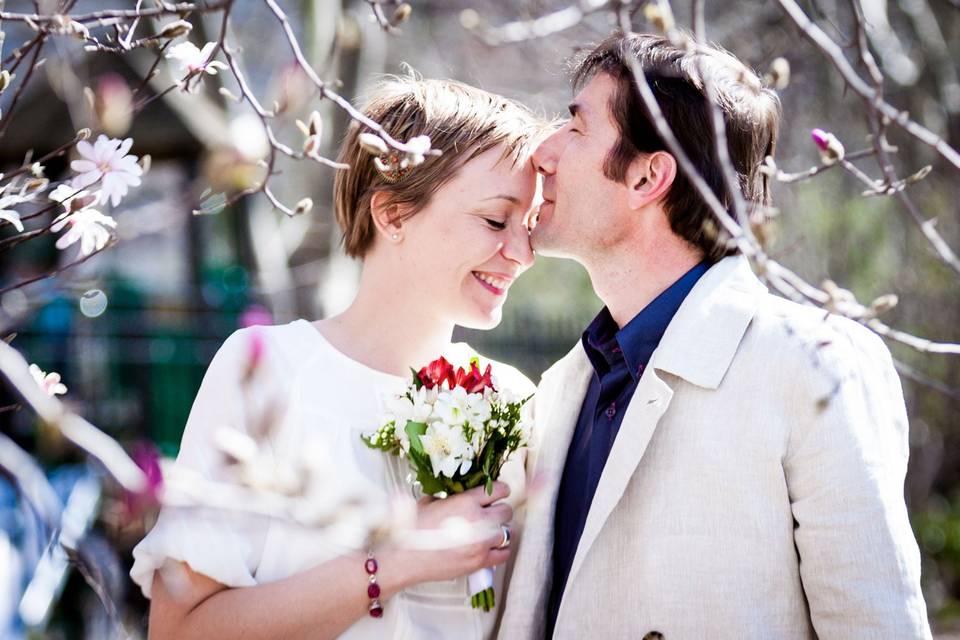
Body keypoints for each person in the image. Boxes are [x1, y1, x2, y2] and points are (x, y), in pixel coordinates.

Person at [496, 32, 931, 639]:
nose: (541, 151)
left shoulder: (815, 364)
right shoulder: (561, 386)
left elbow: (875, 623)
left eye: (575, 128)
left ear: (649, 177)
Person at [131, 75, 547, 640]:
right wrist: (394, 562)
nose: (522, 255)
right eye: (497, 221)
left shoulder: (518, 402)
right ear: (393, 214)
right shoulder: (268, 367)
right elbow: (180, 630)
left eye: (529, 228)